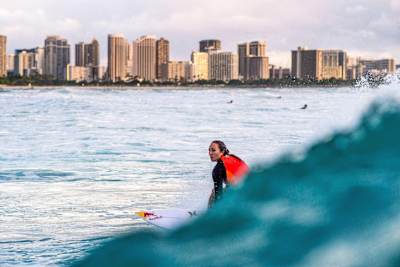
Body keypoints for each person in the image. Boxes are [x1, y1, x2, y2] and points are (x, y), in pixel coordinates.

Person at [208, 140, 249, 208]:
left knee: (214, 193)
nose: (210, 153)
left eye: (213, 150)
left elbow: (218, 195)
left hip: (241, 196)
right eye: (209, 150)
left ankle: (209, 214)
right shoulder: (233, 158)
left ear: (222, 152)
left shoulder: (217, 169)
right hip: (252, 189)